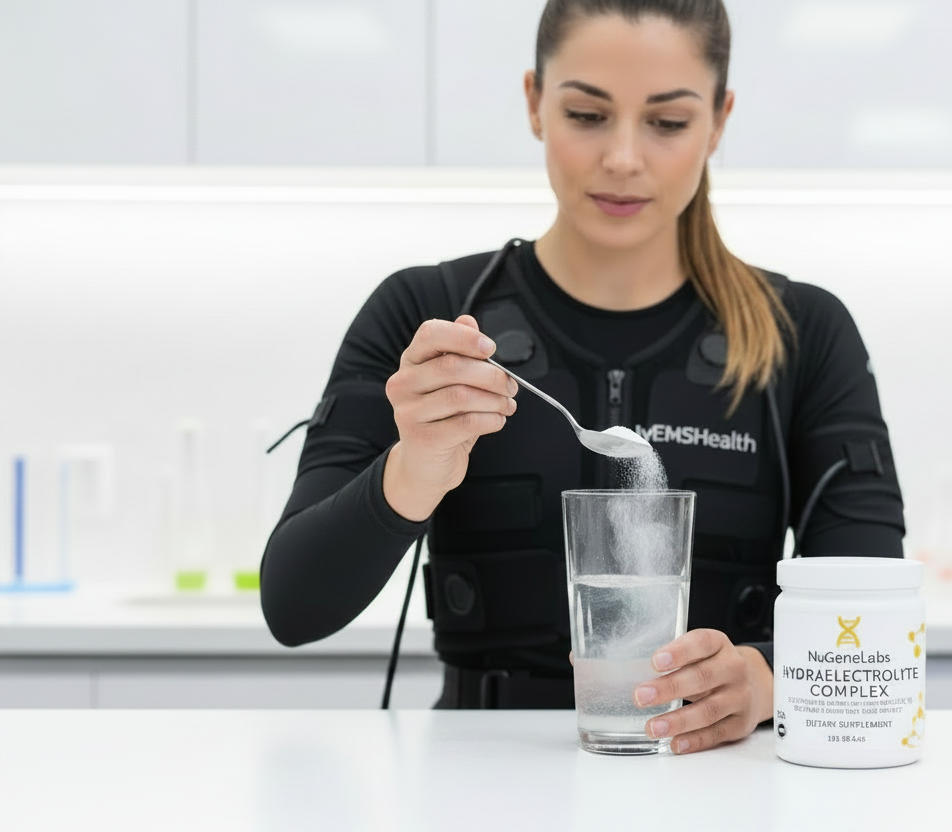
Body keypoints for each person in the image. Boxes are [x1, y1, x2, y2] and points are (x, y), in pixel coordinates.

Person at [260, 0, 905, 755]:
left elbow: (875, 623)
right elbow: (294, 608)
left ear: (719, 121)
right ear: (535, 103)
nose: (624, 158)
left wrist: (764, 681)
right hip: (474, 786)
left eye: (666, 123)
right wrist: (411, 470)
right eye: (587, 115)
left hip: (718, 788)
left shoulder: (803, 333)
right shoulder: (428, 313)